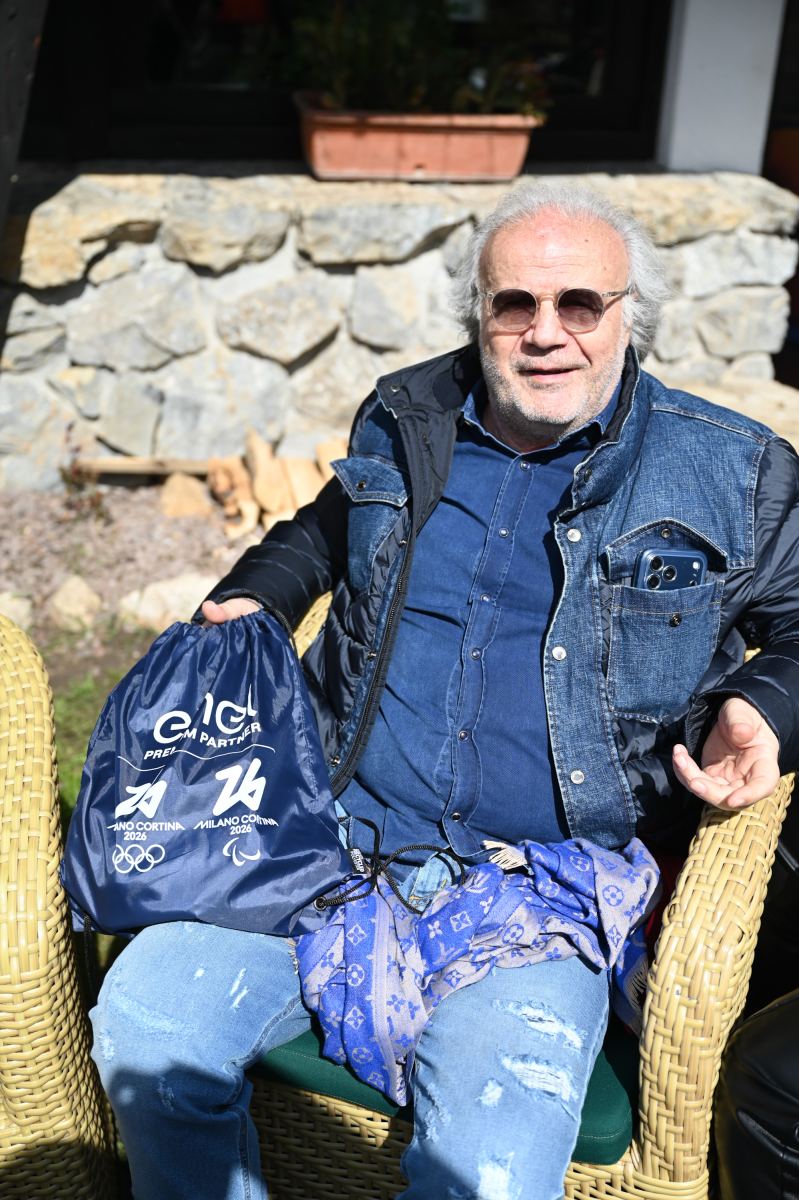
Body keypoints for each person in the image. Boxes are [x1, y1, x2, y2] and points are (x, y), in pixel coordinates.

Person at [90, 182, 799, 1200]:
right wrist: (259, 592)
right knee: (148, 1033)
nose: (545, 332)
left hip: (541, 893)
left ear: (627, 314)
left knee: (488, 1175)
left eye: (579, 303)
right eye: (515, 304)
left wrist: (764, 704)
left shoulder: (728, 470)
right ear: (479, 314)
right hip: (324, 847)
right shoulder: (406, 414)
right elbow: (330, 524)